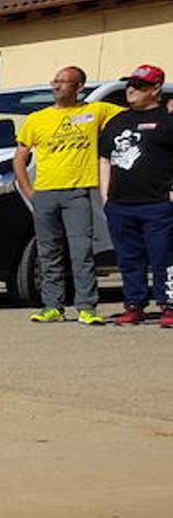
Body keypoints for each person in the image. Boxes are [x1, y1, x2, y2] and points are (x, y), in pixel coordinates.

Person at [14, 65, 122, 325]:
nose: (56, 85)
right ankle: (53, 306)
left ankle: (86, 307)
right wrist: (30, 191)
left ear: (79, 87)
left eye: (63, 81)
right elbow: (19, 157)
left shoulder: (95, 111)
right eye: (55, 80)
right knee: (49, 252)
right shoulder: (36, 119)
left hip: (78, 193)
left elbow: (135, 114)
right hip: (45, 194)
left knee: (81, 252)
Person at [98, 64, 173, 326]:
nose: (132, 90)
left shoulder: (168, 118)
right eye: (130, 84)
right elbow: (105, 159)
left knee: (164, 257)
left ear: (156, 90)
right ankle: (134, 305)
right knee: (129, 259)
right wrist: (105, 196)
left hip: (159, 203)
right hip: (120, 204)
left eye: (140, 86)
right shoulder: (117, 121)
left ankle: (169, 306)